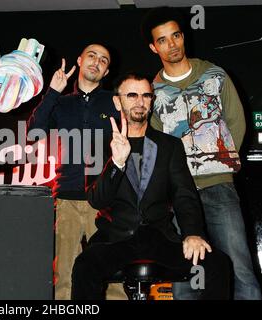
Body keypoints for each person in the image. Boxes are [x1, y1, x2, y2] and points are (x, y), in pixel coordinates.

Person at [71, 73, 230, 300]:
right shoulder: (98, 144)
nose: (140, 101)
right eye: (132, 95)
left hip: (161, 238)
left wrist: (193, 233)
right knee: (84, 266)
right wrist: (116, 163)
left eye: (146, 95)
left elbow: (184, 195)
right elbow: (98, 200)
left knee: (217, 264)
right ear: (117, 101)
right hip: (115, 239)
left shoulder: (170, 146)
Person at [140, 6, 262, 300]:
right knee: (185, 273)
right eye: (163, 40)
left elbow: (236, 121)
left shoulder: (214, 74)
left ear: (184, 36)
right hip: (180, 195)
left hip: (219, 185)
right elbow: (156, 144)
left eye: (176, 36)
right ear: (153, 47)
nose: (172, 45)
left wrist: (218, 159)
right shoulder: (152, 91)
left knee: (240, 267)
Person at [27, 44, 125, 300]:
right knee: (65, 277)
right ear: (80, 60)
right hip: (67, 198)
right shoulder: (61, 101)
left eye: (103, 60)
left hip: (106, 201)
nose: (96, 62)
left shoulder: (115, 101)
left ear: (106, 71)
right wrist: (52, 92)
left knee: (115, 277)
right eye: (91, 56)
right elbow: (33, 133)